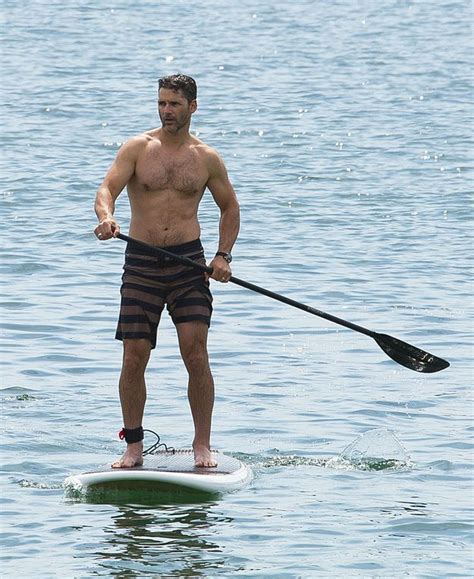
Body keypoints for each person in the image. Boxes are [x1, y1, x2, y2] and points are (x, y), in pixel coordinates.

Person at [93, 74, 240, 468]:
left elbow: (230, 208)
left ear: (192, 106)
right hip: (141, 262)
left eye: (174, 104)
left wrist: (223, 256)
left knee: (195, 351)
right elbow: (106, 188)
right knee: (133, 356)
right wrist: (107, 218)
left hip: (189, 264)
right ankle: (134, 445)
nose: (166, 111)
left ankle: (202, 445)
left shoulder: (206, 158)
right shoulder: (138, 149)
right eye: (161, 103)